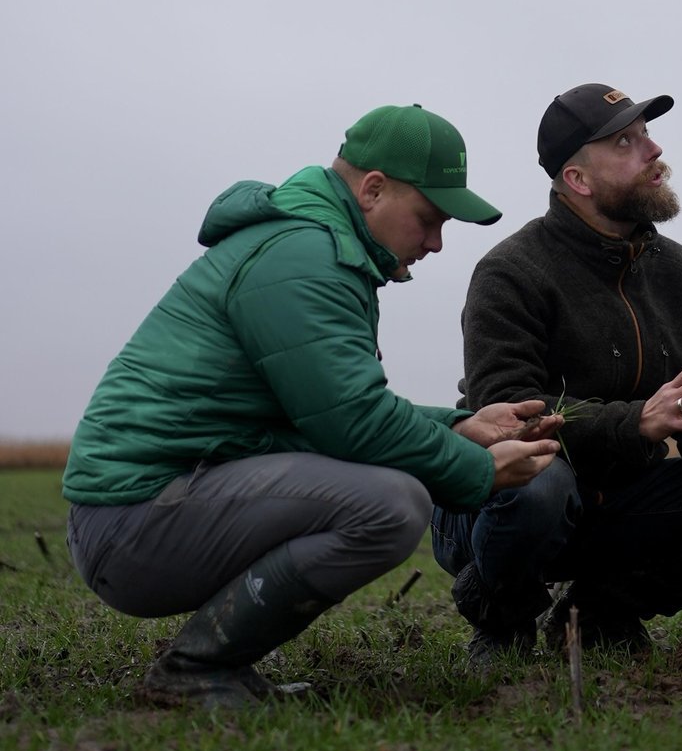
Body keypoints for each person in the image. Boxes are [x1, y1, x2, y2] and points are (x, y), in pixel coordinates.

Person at [63, 103, 560, 706]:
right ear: (373, 189)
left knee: (384, 490)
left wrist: (461, 426)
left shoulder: (312, 245)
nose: (435, 242)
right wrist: (477, 470)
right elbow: (352, 423)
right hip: (131, 523)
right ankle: (196, 670)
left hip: (151, 505)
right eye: (429, 218)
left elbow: (331, 410)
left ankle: (216, 665)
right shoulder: (304, 256)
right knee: (390, 504)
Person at [432, 83, 682, 667]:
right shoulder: (512, 270)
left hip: (619, 501)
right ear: (578, 179)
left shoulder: (681, 274)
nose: (653, 150)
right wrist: (635, 424)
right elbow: (510, 414)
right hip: (501, 506)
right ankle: (501, 618)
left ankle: (602, 613)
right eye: (625, 142)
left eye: (647, 134)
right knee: (538, 481)